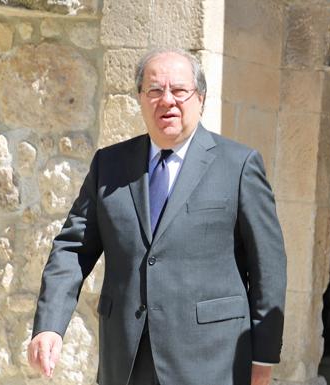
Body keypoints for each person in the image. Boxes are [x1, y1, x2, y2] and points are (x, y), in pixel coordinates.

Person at [27, 47, 287, 385]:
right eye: (154, 90)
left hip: (212, 362)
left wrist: (263, 359)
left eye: (179, 90)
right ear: (139, 98)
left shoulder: (238, 165)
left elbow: (268, 265)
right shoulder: (109, 165)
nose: (167, 100)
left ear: (200, 98)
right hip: (127, 360)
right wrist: (49, 324)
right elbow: (72, 249)